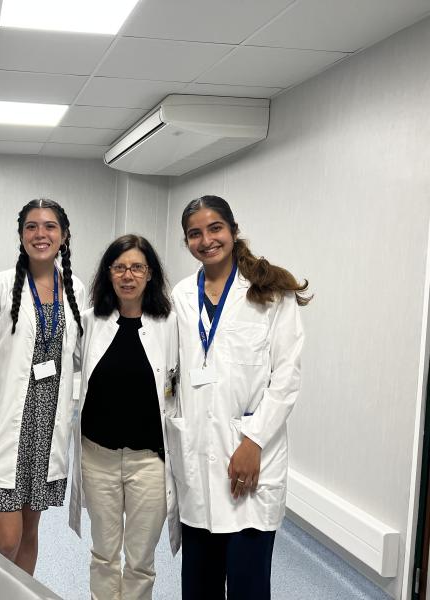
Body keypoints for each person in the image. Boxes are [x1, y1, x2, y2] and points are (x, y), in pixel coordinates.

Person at [168, 195, 311, 600]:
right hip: (196, 459)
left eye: (215, 228)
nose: (206, 240)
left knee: (248, 586)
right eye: (194, 233)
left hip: (250, 458)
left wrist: (254, 441)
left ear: (232, 230)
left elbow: (286, 378)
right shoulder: (181, 295)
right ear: (187, 242)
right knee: (199, 588)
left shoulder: (269, 292)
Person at [0, 198, 85, 575]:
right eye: (31, 226)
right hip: (4, 427)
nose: (40, 234)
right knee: (6, 538)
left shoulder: (76, 289)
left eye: (50, 226)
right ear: (21, 234)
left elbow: (79, 354)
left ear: (64, 235)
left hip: (47, 430)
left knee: (29, 533)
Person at [69, 234, 179, 600]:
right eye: (119, 267)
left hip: (149, 463)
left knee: (140, 560)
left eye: (137, 267)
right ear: (108, 273)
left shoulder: (170, 325)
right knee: (104, 554)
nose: (127, 275)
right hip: (97, 458)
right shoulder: (89, 323)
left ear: (150, 274)